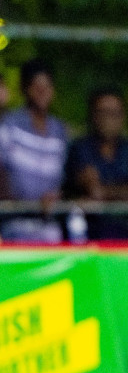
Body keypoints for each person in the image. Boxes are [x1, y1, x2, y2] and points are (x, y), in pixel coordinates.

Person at [65, 87, 128, 241]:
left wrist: (106, 192)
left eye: (114, 114)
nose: (108, 119)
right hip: (90, 231)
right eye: (102, 113)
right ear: (93, 116)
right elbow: (92, 187)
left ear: (122, 117)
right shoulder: (80, 148)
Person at [0, 59, 69, 243]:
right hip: (13, 226)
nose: (42, 92)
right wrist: (30, 206)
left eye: (47, 86)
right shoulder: (9, 125)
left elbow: (62, 177)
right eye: (36, 86)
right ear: (24, 89)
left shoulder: (59, 130)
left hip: (50, 226)